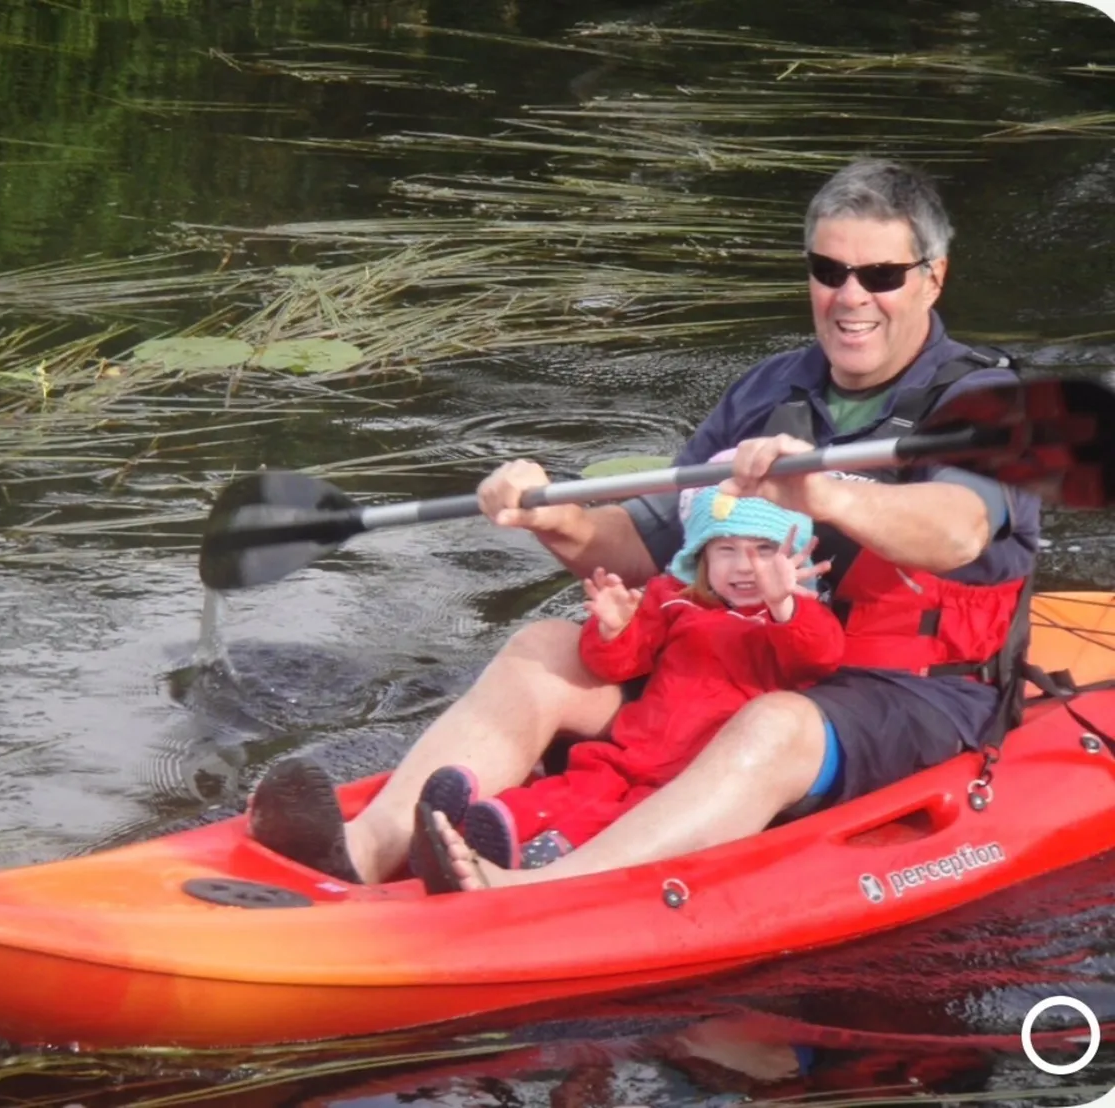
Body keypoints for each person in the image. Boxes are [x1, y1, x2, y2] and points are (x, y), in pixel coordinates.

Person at [247, 156, 1039, 894]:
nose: (850, 296)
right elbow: (646, 546)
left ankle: (536, 891)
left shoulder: (988, 403)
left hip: (903, 693)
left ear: (933, 278)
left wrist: (827, 493)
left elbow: (959, 531)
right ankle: (365, 847)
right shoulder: (769, 391)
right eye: (829, 271)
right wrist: (557, 520)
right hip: (738, 659)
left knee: (775, 724)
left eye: (881, 275)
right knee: (543, 647)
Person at [412, 488, 843, 878]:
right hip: (635, 744)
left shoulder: (795, 619)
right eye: (726, 549)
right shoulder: (674, 599)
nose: (745, 566)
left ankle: (546, 854)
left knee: (621, 816)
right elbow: (619, 666)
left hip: (696, 769)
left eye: (765, 550)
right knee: (577, 786)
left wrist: (783, 605)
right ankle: (476, 820)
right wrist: (614, 630)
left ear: (793, 561)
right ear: (703, 558)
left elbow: (818, 658)